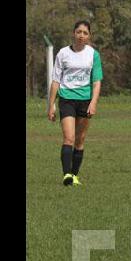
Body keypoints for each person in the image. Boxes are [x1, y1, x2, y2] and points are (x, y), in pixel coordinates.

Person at [47, 20, 103, 186]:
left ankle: (74, 174)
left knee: (80, 140)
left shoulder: (93, 54)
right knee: (69, 138)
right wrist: (51, 104)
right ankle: (66, 176)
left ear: (89, 36)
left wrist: (93, 103)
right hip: (67, 99)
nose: (81, 36)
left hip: (85, 100)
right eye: (79, 32)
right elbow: (56, 80)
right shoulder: (63, 53)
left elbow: (97, 82)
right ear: (73, 33)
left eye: (85, 33)